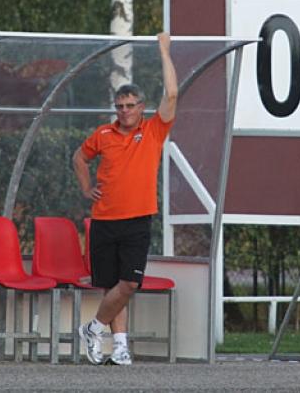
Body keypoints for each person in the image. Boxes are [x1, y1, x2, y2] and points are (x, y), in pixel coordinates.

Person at [73, 32, 177, 366]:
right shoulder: (103, 134)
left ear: (141, 107)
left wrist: (163, 51)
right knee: (111, 286)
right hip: (103, 220)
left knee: (129, 283)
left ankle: (93, 327)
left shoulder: (152, 130)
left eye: (130, 106)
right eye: (119, 106)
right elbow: (78, 157)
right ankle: (119, 345)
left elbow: (172, 93)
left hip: (137, 220)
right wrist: (87, 188)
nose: (124, 111)